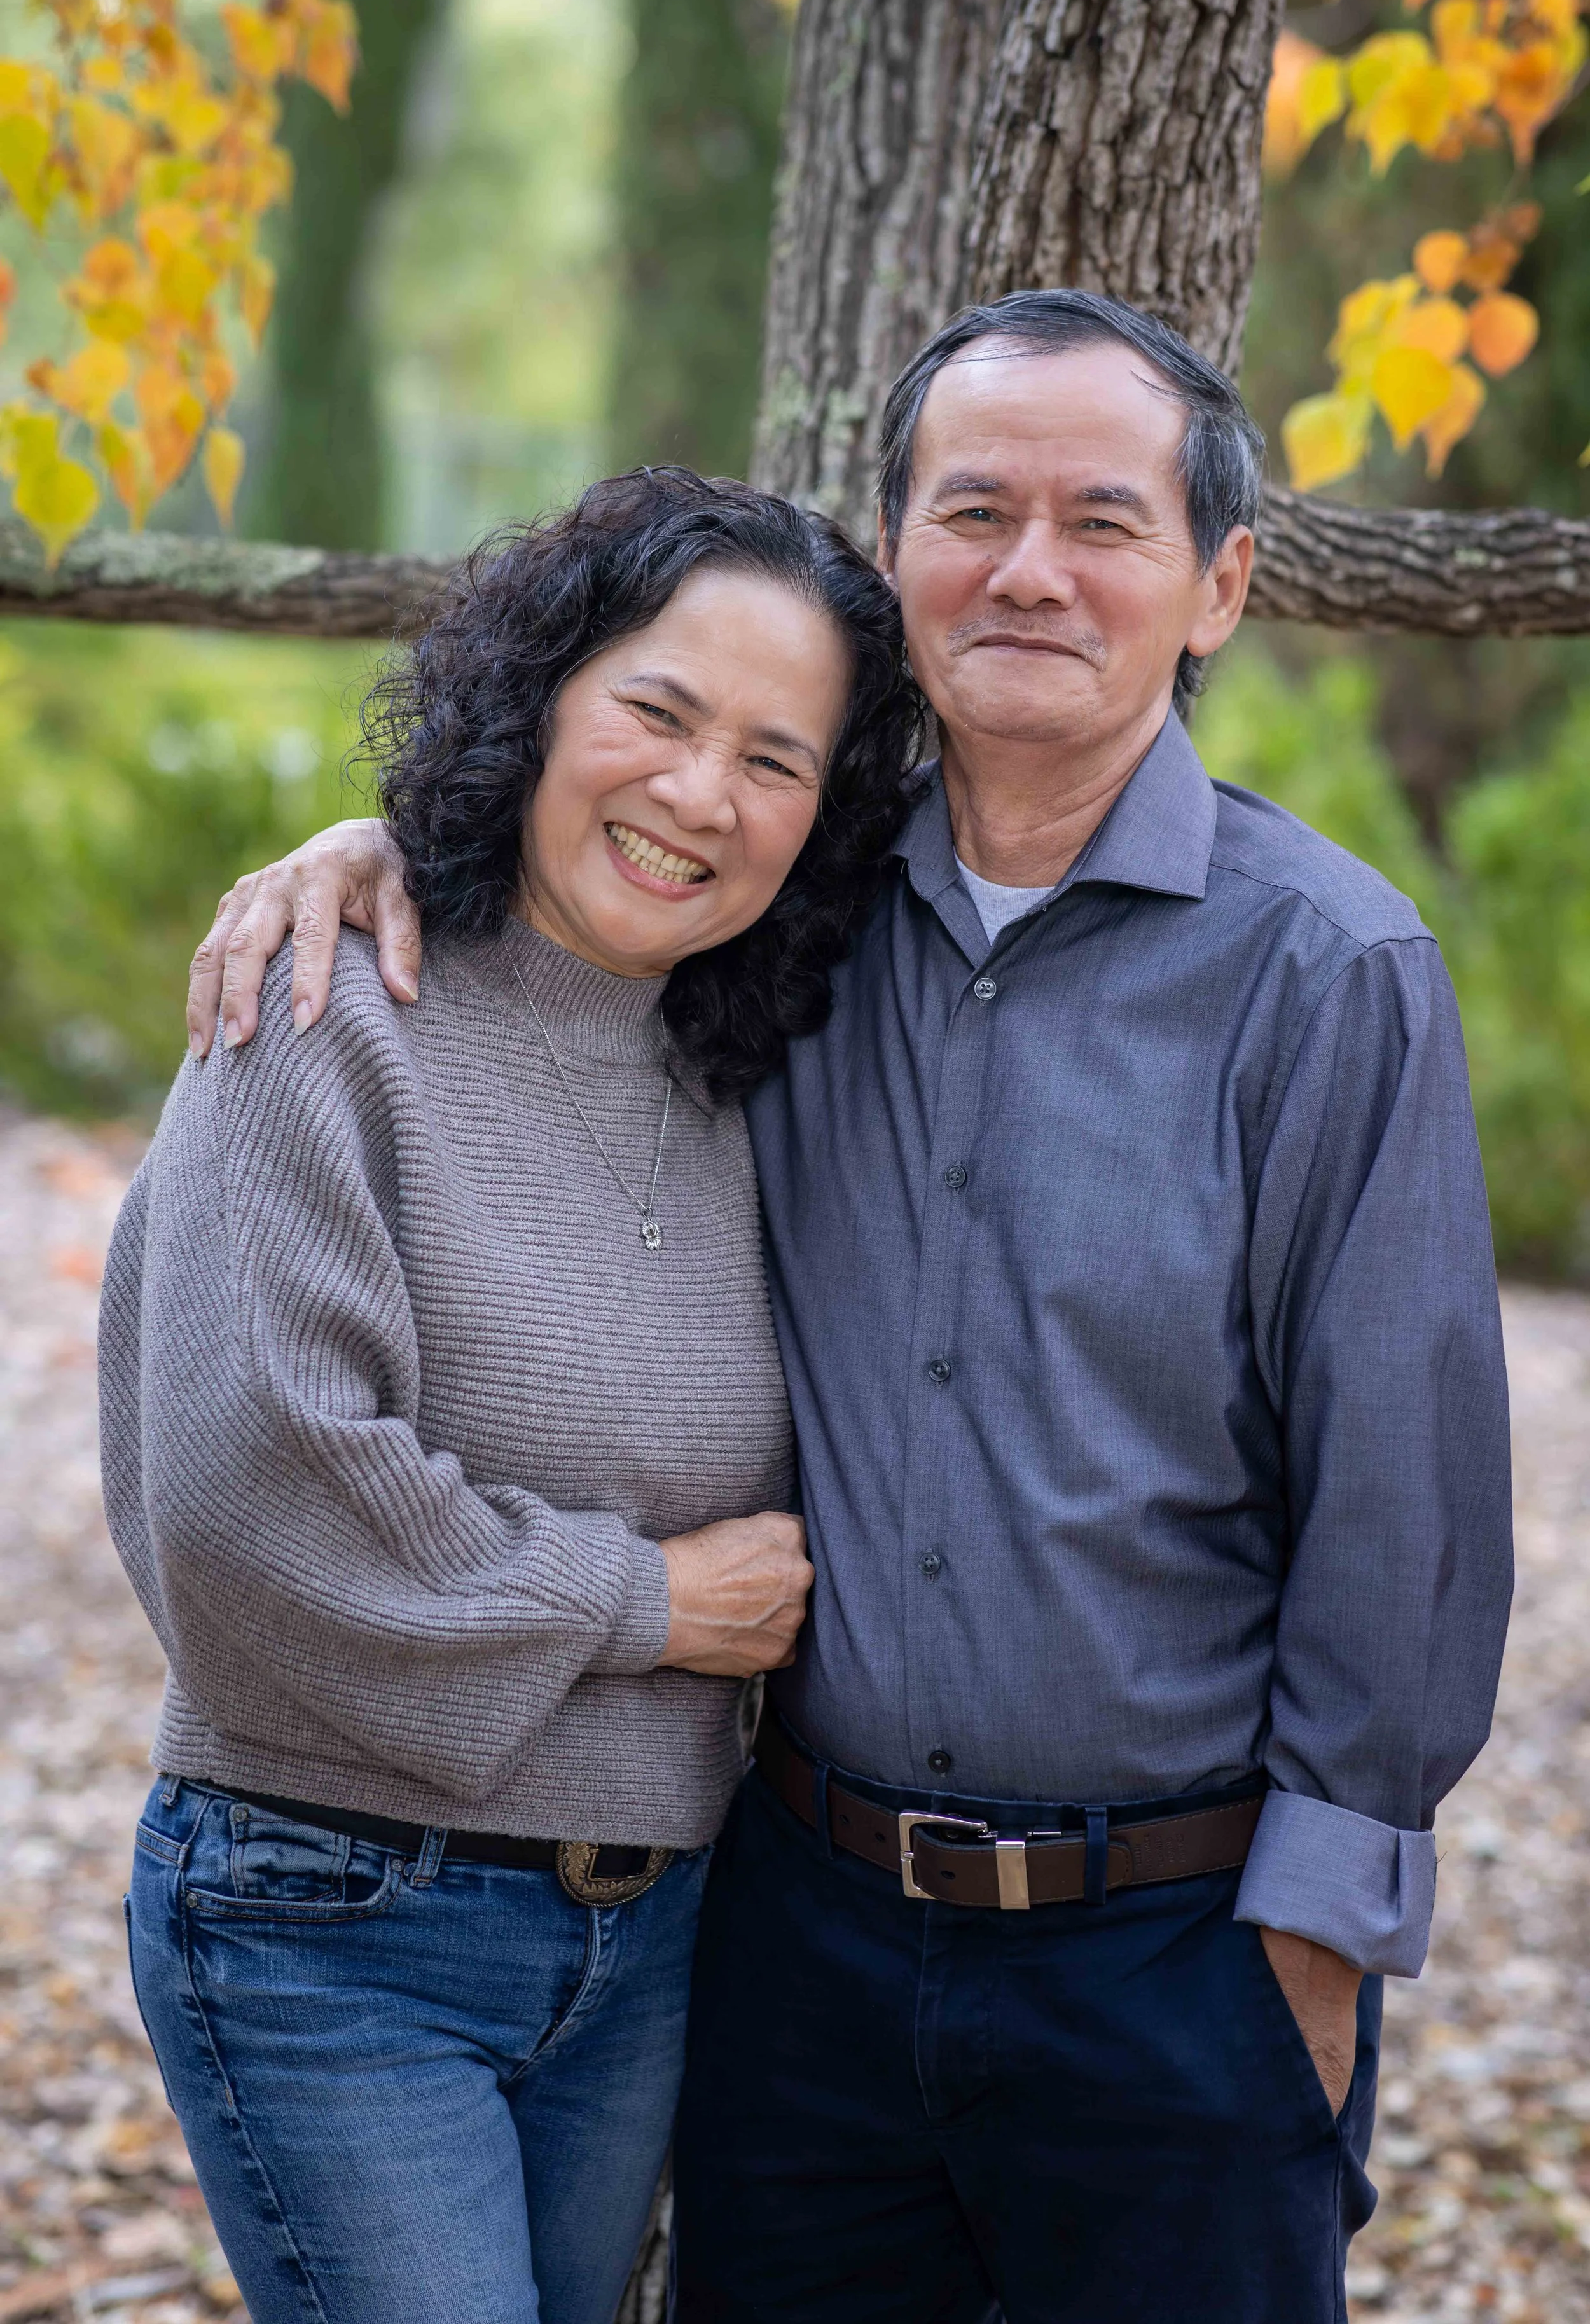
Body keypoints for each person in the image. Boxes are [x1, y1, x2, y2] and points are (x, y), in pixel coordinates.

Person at [189, 292, 1514, 2324]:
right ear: (895, 560)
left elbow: (1402, 1500)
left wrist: (1313, 1948)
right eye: (971, 508)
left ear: (1219, 584)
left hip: (1170, 1956)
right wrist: (373, 844)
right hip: (798, 1940)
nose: (1030, 569)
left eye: (1104, 519)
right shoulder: (784, 905)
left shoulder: (1322, 971)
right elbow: (568, 893)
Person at [99, 467, 924, 2324]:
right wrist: (649, 1602)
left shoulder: (755, 1068)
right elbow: (253, 1505)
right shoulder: (324, 1007)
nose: (700, 794)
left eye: (777, 761)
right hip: (329, 1920)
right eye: (655, 709)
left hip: (651, 1934)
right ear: (540, 692)